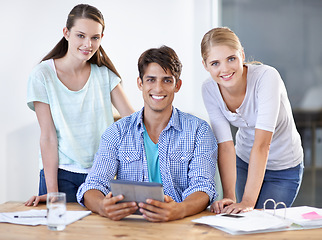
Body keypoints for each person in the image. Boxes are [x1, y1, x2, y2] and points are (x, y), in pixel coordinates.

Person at [76, 45, 218, 222]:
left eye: (167, 80)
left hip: (180, 224)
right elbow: (93, 185)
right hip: (129, 225)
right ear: (140, 83)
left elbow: (203, 186)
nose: (158, 88)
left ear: (177, 85)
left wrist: (179, 210)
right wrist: (101, 207)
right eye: (151, 80)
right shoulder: (117, 132)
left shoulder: (199, 131)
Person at [25, 4, 134, 206]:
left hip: (100, 177)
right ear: (66, 33)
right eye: (81, 36)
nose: (88, 44)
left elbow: (133, 121)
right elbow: (48, 137)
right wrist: (53, 194)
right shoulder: (43, 75)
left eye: (95, 37)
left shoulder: (105, 76)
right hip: (60, 176)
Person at [201, 27, 304, 214]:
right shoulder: (209, 89)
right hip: (244, 161)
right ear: (205, 65)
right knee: (241, 220)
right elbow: (225, 145)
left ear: (241, 54)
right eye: (215, 63)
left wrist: (247, 201)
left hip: (283, 167)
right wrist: (230, 196)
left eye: (231, 58)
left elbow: (262, 145)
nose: (224, 69)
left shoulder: (267, 77)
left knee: (263, 224)